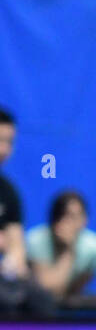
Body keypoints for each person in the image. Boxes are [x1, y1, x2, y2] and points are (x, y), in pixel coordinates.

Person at [26, 190, 96, 301]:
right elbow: (49, 291)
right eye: (63, 216)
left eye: (74, 217)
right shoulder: (35, 240)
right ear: (53, 220)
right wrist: (68, 251)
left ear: (85, 219)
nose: (67, 223)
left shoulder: (95, 248)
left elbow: (73, 290)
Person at [0, 107, 27, 279]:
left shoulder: (9, 192)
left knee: (40, 298)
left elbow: (17, 247)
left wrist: (14, 262)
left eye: (9, 142)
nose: (4, 149)